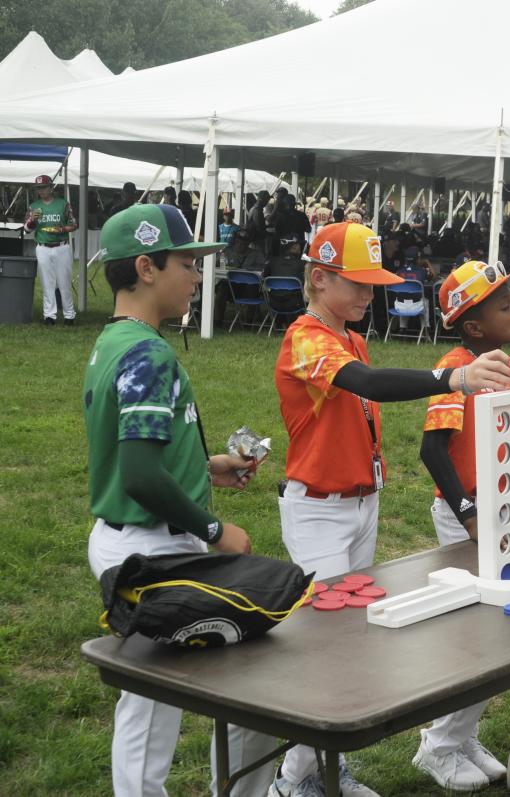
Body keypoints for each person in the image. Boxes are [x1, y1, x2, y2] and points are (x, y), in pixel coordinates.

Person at [267, 224, 510, 797]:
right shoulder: (307, 338)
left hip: (360, 503)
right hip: (320, 510)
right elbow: (370, 385)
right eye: (357, 284)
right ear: (319, 277)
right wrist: (452, 375)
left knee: (347, 643)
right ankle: (293, 780)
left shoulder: (348, 335)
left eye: (373, 285)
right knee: (329, 645)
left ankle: (322, 770)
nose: (368, 297)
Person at [84, 203, 259, 797]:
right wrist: (213, 529)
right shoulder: (147, 354)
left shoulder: (117, 340)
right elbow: (138, 474)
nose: (197, 275)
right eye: (188, 263)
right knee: (152, 704)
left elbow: (139, 453)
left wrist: (206, 468)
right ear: (146, 267)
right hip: (148, 544)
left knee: (156, 698)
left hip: (135, 535)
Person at [412, 260, 510, 791]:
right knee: (484, 635)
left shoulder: (501, 366)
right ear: (475, 328)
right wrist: (468, 515)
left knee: (495, 632)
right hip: (468, 516)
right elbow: (432, 451)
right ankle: (439, 746)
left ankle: (459, 735)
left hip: (499, 511)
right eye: (505, 306)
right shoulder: (455, 369)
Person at [24, 175, 78, 326]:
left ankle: (69, 316)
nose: (41, 190)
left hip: (62, 246)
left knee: (64, 281)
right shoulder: (34, 206)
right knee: (47, 282)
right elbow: (27, 230)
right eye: (38, 188)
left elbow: (74, 224)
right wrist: (32, 220)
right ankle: (49, 316)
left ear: (51, 187)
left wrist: (61, 228)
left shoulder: (63, 204)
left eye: (44, 187)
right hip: (43, 247)